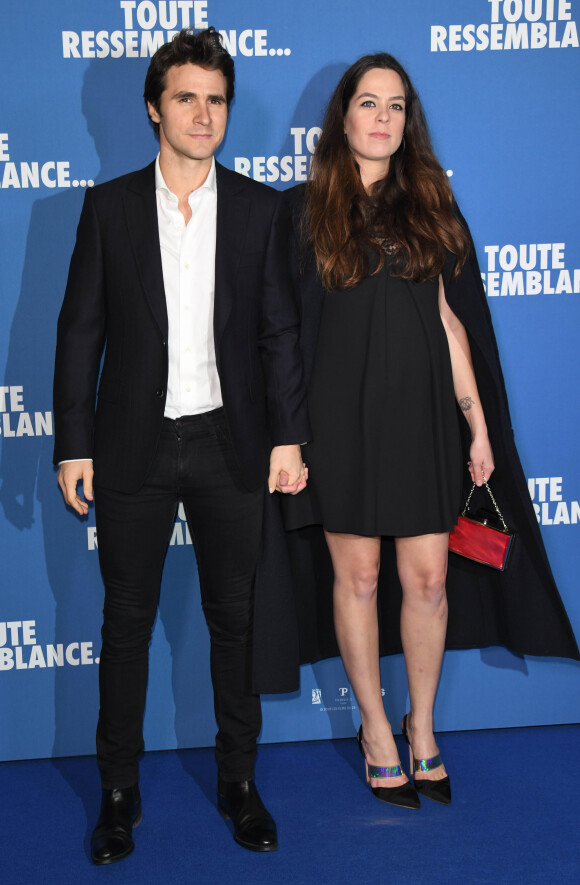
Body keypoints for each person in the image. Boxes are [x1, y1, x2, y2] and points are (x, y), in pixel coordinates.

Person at [283, 52, 579, 810]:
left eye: (396, 106)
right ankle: (376, 729)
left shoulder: (435, 210)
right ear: (342, 117)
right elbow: (281, 332)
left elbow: (451, 324)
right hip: (339, 424)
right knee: (357, 578)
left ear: (407, 122)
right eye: (368, 103)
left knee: (430, 580)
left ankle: (423, 727)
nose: (382, 118)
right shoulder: (304, 209)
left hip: (422, 423)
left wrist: (477, 427)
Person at [53, 27, 309, 864]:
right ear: (154, 109)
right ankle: (117, 795)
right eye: (187, 98)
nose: (204, 114)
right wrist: (72, 443)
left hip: (231, 443)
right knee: (123, 625)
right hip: (132, 444)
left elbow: (278, 333)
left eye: (217, 99)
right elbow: (78, 331)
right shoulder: (109, 206)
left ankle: (240, 782)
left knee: (233, 623)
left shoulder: (262, 209)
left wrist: (288, 434)